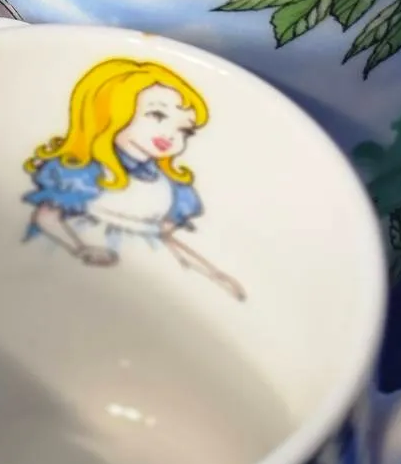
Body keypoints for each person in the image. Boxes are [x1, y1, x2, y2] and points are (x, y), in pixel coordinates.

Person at [21, 57, 244, 300]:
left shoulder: (171, 186)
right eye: (157, 115)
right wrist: (81, 249)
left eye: (184, 130)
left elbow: (165, 237)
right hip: (80, 261)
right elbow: (47, 217)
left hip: (150, 274)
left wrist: (212, 274)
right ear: (108, 109)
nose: (170, 134)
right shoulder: (83, 170)